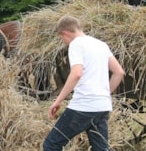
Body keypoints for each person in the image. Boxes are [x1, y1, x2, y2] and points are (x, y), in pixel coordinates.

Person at [43, 15, 125, 151]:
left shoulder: (76, 44)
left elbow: (76, 73)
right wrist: (103, 94)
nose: (64, 42)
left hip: (83, 106)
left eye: (62, 38)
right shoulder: (101, 45)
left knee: (51, 144)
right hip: (102, 107)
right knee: (100, 149)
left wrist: (58, 101)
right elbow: (119, 72)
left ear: (65, 33)